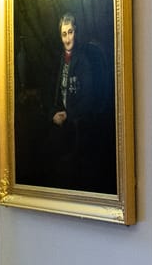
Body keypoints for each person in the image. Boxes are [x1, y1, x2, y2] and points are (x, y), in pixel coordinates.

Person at [49, 12, 115, 193]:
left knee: (78, 170)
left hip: (81, 123)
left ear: (75, 33)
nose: (67, 38)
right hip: (65, 121)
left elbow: (88, 97)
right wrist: (54, 112)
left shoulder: (84, 59)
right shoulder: (62, 59)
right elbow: (58, 92)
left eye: (70, 32)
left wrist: (68, 114)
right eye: (64, 34)